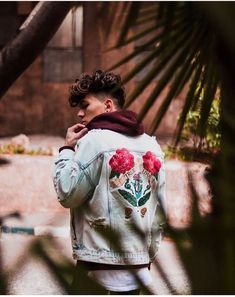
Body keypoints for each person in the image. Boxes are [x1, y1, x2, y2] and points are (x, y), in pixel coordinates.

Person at [53, 69, 166, 295]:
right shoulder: (152, 145)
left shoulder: (95, 140)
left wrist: (66, 149)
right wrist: (146, 255)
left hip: (96, 267)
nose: (80, 114)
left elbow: (67, 193)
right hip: (138, 268)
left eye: (85, 105)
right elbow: (160, 212)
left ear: (107, 106)